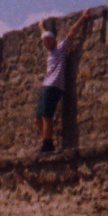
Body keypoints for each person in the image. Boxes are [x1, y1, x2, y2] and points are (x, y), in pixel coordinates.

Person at [34, 12, 88, 153]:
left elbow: (71, 33)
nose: (45, 43)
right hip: (46, 85)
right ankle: (48, 141)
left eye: (48, 40)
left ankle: (47, 144)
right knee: (37, 118)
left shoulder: (61, 48)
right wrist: (41, 26)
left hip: (54, 86)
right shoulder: (50, 50)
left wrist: (82, 18)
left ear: (54, 40)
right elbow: (44, 33)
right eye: (44, 41)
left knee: (47, 116)